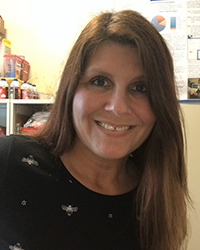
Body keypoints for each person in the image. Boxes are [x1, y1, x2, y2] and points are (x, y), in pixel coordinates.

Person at [0, 9, 191, 250]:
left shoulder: (156, 199)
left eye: (140, 88)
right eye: (100, 81)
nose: (118, 107)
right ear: (71, 91)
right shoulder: (9, 163)